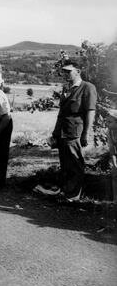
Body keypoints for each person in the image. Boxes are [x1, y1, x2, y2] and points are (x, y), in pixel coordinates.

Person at [40, 60, 97, 201]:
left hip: (75, 131)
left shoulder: (87, 87)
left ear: (78, 71)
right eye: (63, 71)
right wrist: (55, 133)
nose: (65, 74)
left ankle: (74, 195)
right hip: (63, 132)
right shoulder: (67, 88)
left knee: (75, 163)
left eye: (68, 71)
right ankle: (66, 190)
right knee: (65, 163)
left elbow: (90, 112)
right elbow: (62, 113)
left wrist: (86, 133)